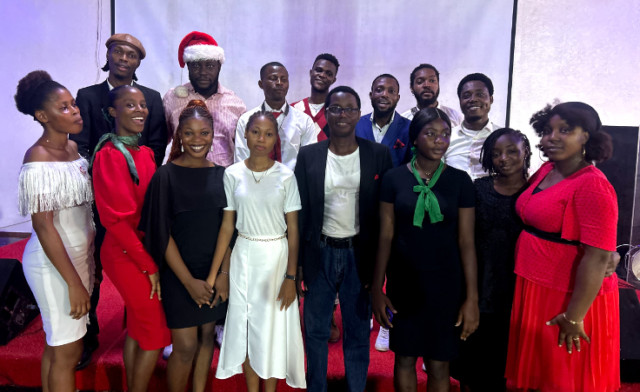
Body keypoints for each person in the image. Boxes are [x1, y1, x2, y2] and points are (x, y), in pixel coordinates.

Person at [505, 102, 619, 392]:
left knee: (561, 379)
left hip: (568, 296)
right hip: (536, 284)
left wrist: (573, 317)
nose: (551, 137)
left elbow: (597, 257)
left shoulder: (593, 185)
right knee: (539, 376)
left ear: (587, 137)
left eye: (565, 130)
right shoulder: (547, 169)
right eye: (547, 131)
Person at [70, 33, 168, 366]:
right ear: (109, 55)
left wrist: (138, 170)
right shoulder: (88, 96)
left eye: (132, 55)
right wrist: (105, 171)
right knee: (92, 266)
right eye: (118, 52)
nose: (124, 59)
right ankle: (88, 336)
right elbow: (81, 143)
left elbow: (156, 141)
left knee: (140, 294)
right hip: (102, 192)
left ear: (139, 62)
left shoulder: (151, 99)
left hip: (138, 192)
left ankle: (135, 325)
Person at [371, 107, 479, 392]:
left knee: (438, 363)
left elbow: (467, 242)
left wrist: (471, 298)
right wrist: (376, 289)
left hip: (446, 285)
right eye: (430, 134)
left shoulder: (460, 181)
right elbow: (385, 236)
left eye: (445, 134)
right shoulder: (394, 179)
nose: (439, 141)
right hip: (404, 282)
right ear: (415, 139)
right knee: (404, 358)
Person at [295, 86, 393, 392]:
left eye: (350, 109)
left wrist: (380, 269)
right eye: (335, 109)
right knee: (315, 332)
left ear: (358, 113)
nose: (342, 115)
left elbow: (384, 214)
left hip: (358, 255)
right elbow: (298, 212)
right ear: (327, 114)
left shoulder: (378, 154)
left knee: (356, 331)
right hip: (319, 251)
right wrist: (297, 264)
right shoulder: (309, 155)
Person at [140, 100, 231, 392]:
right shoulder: (165, 176)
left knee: (206, 339)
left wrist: (222, 275)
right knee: (186, 346)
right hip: (180, 276)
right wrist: (189, 282)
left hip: (212, 272)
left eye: (203, 133)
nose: (196, 140)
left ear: (213, 134)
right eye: (189, 133)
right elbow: (160, 234)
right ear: (178, 134)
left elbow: (228, 232)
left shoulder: (222, 175)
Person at [213, 111, 306, 390]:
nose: (261, 139)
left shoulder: (286, 176)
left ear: (276, 139)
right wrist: (220, 272)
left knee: (272, 330)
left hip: (276, 258)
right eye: (255, 132)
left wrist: (291, 278)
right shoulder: (231, 174)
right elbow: (228, 227)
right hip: (244, 254)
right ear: (245, 134)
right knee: (247, 327)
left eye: (268, 134)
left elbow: (293, 232)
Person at [15, 70, 95, 392]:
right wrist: (73, 283)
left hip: (77, 257)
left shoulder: (73, 149)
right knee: (69, 350)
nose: (75, 110)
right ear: (42, 116)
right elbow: (43, 226)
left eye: (73, 104)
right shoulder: (38, 157)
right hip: (54, 265)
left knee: (58, 344)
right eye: (63, 107)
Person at [92, 85, 171, 392]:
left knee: (139, 329)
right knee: (155, 330)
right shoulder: (109, 156)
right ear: (113, 112)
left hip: (144, 249)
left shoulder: (147, 153)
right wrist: (149, 265)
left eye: (142, 104)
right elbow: (116, 221)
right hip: (125, 252)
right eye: (130, 105)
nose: (140, 110)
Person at [455, 128, 531, 391]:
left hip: (521, 292)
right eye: (496, 153)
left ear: (526, 153)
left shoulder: (537, 192)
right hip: (480, 286)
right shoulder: (479, 189)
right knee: (473, 368)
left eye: (512, 151)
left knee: (509, 369)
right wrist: (470, 296)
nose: (504, 158)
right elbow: (466, 241)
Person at [163, 31, 246, 167]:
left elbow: (244, 150)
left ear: (219, 67)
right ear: (188, 66)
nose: (203, 72)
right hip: (182, 177)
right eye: (196, 65)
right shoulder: (172, 98)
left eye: (210, 66)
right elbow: (160, 142)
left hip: (223, 180)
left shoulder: (235, 104)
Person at [235, 62, 318, 171]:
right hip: (255, 183)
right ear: (261, 84)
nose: (279, 83)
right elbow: (241, 161)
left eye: (284, 79)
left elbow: (310, 161)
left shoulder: (304, 121)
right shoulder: (246, 120)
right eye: (273, 78)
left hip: (293, 184)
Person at [444, 73, 501, 180]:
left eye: (480, 94)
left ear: (491, 99)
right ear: (460, 102)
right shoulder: (447, 137)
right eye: (466, 96)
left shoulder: (503, 137)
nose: (473, 99)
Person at [356, 73, 411, 168]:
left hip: (394, 182)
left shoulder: (409, 128)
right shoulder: (356, 124)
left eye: (391, 91)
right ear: (371, 95)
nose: (385, 95)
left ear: (397, 98)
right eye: (379, 90)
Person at [292, 53, 340, 141]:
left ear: (334, 80)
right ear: (311, 73)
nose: (322, 75)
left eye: (329, 74)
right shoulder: (293, 110)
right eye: (318, 70)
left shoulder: (338, 113)